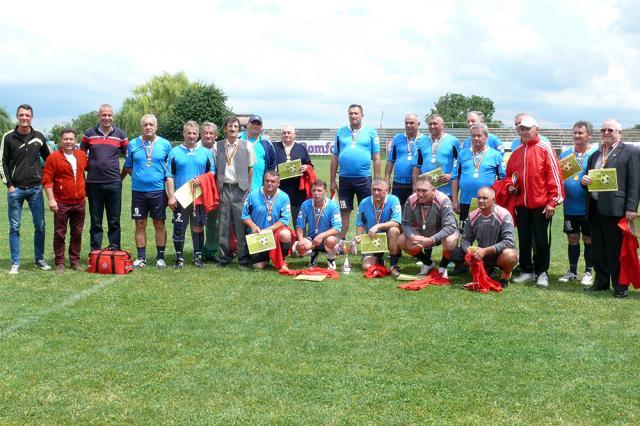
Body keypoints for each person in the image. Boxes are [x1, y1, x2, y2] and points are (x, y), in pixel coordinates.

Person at [582, 119, 640, 298]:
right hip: (595, 207)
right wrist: (585, 181)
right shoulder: (596, 154)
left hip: (616, 208)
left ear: (619, 133)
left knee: (616, 249)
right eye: (603, 129)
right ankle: (601, 281)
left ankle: (620, 285)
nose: (606, 132)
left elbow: (635, 182)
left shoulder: (630, 152)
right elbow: (589, 177)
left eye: (610, 129)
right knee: (597, 247)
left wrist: (631, 207)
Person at [506, 116, 564, 287]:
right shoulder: (516, 152)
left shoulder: (545, 148)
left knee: (540, 239)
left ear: (536, 129)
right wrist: (510, 186)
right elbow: (509, 176)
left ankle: (542, 272)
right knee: (523, 238)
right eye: (521, 129)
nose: (524, 132)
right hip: (522, 204)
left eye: (527, 128)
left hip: (541, 204)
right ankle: (526, 270)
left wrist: (553, 202)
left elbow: (555, 177)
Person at [1, 104, 53, 273]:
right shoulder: (8, 137)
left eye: (27, 115)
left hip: (35, 189)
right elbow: (2, 162)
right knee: (14, 227)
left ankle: (39, 259)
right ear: (17, 116)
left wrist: (46, 180)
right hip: (15, 189)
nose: (24, 118)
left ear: (32, 117)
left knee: (40, 225)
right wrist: (9, 185)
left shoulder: (39, 136)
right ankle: (15, 262)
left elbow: (50, 160)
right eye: (21, 115)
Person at [121, 114, 172, 269]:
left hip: (158, 191)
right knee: (140, 223)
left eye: (151, 124)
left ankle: (160, 258)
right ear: (141, 127)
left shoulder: (165, 144)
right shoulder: (133, 144)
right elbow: (128, 166)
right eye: (145, 125)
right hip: (138, 192)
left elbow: (169, 169)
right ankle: (141, 257)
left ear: (156, 127)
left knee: (159, 223)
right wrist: (140, 177)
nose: (148, 127)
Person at [166, 121, 216, 269]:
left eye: (194, 133)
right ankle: (179, 258)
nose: (192, 136)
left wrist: (201, 179)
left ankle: (197, 256)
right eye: (189, 133)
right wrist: (171, 196)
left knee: (198, 227)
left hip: (199, 197)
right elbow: (169, 175)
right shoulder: (174, 152)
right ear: (183, 134)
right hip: (181, 197)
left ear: (198, 135)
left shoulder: (205, 153)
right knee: (179, 227)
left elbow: (212, 172)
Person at [81, 104, 129, 251]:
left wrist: (119, 178)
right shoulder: (89, 133)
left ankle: (114, 249)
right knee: (96, 221)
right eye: (104, 115)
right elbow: (80, 157)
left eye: (109, 115)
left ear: (113, 116)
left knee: (114, 220)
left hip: (114, 183)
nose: (106, 118)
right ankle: (95, 251)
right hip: (93, 184)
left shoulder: (121, 135)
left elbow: (129, 159)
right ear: (99, 116)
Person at [330, 104, 381, 239]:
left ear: (362, 115)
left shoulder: (371, 132)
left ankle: (366, 242)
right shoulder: (341, 132)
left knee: (367, 211)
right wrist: (331, 181)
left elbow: (376, 158)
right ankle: (341, 242)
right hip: (345, 180)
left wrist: (377, 181)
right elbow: (335, 157)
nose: (353, 116)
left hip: (364, 179)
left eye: (356, 113)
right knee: (344, 211)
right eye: (351, 113)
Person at [41, 128, 88, 273]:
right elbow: (47, 180)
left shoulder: (81, 155)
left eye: (71, 139)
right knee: (60, 233)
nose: (68, 142)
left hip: (79, 201)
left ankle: (75, 260)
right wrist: (51, 200)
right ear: (61, 141)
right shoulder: (53, 157)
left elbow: (87, 171)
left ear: (75, 140)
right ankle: (60, 262)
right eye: (66, 139)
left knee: (77, 233)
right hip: (61, 202)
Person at [453, 187, 518, 288]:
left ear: (494, 200)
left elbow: (508, 241)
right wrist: (469, 250)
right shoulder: (472, 216)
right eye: (479, 198)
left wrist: (485, 251)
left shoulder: (504, 215)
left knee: (509, 255)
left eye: (485, 198)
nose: (481, 201)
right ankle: (486, 269)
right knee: (455, 253)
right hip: (482, 254)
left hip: (500, 254)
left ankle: (505, 276)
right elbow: (465, 239)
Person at [558, 121, 597, 285]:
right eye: (574, 132)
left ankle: (588, 271)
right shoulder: (566, 154)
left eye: (580, 133)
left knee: (589, 239)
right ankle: (572, 271)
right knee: (572, 238)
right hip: (570, 206)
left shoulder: (596, 154)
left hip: (589, 207)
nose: (576, 135)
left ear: (589, 135)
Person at [398, 176, 458, 277]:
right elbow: (405, 223)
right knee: (401, 239)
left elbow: (450, 227)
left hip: (442, 232)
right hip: (422, 231)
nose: (420, 194)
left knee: (450, 241)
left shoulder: (443, 200)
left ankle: (443, 266)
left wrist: (431, 240)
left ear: (433, 190)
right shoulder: (411, 199)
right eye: (418, 190)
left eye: (424, 191)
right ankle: (428, 263)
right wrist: (412, 236)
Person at [216, 116, 256, 267]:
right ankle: (224, 258)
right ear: (225, 129)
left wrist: (249, 189)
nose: (232, 129)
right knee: (223, 226)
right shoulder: (217, 146)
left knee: (241, 226)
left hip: (241, 189)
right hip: (224, 189)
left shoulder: (247, 146)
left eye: (235, 126)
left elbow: (251, 169)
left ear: (239, 129)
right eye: (229, 126)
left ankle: (244, 259)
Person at [451, 123, 505, 222]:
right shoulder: (462, 154)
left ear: (486, 137)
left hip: (487, 201)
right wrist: (454, 200)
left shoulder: (496, 155)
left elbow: (502, 179)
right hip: (466, 201)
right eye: (473, 136)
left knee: (487, 233)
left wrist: (498, 199)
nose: (476, 138)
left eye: (479, 135)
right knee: (466, 233)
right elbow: (455, 177)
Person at [242, 170, 293, 271]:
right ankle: (265, 257)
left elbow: (285, 220)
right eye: (267, 181)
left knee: (286, 234)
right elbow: (244, 216)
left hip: (275, 233)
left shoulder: (284, 197)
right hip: (258, 234)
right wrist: (253, 226)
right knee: (258, 266)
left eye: (273, 181)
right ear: (263, 181)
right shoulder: (253, 195)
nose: (269, 183)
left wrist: (269, 229)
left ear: (278, 183)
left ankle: (281, 259)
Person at [354, 178, 402, 276]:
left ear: (387, 190)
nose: (376, 192)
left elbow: (397, 222)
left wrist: (378, 226)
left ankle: (393, 265)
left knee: (394, 230)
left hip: (389, 238)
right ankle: (379, 259)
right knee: (366, 266)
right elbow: (360, 223)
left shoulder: (394, 200)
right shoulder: (364, 202)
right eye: (373, 189)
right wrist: (358, 236)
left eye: (379, 190)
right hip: (373, 240)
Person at [293, 179, 342, 269]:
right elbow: (299, 225)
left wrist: (321, 236)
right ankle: (313, 254)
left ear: (325, 192)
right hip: (312, 239)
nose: (316, 193)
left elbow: (337, 228)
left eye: (319, 190)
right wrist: (300, 240)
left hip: (327, 240)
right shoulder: (305, 204)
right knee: (299, 247)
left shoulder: (333, 206)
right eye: (314, 190)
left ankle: (331, 259)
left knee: (331, 240)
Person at [412, 113, 461, 197]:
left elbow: (461, 163)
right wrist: (414, 188)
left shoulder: (453, 141)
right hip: (425, 191)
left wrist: (451, 175)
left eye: (435, 124)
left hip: (446, 191)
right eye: (430, 124)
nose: (432, 126)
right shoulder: (421, 141)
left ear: (442, 125)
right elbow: (417, 166)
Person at [273, 125, 312, 221]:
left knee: (298, 219)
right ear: (281, 135)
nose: (286, 135)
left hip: (297, 190)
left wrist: (306, 167)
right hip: (279, 189)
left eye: (289, 132)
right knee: (276, 217)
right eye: (284, 133)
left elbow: (310, 164)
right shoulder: (274, 147)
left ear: (294, 135)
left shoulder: (301, 148)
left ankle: (301, 236)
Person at [384, 113, 425, 206]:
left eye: (411, 123)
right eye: (406, 123)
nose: (408, 125)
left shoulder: (425, 140)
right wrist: (387, 178)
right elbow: (390, 160)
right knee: (398, 211)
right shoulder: (397, 138)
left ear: (418, 124)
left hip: (418, 183)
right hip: (398, 183)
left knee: (416, 211)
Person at [197, 122, 222, 262]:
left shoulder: (221, 149)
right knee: (198, 221)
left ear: (216, 136)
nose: (208, 135)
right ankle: (198, 250)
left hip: (215, 190)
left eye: (211, 133)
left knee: (215, 221)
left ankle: (213, 249)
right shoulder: (195, 149)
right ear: (201, 134)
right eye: (205, 133)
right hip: (198, 190)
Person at [239, 114, 276, 191]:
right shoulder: (237, 139)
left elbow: (271, 167)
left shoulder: (267, 145)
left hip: (258, 190)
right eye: (253, 123)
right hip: (237, 189)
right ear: (248, 125)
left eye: (258, 124)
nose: (255, 126)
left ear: (261, 127)